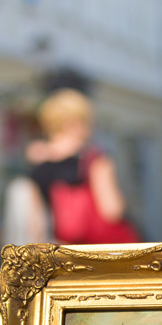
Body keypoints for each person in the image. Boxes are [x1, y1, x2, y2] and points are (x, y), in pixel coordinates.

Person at [25, 89, 138, 245]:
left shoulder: (38, 165)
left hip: (69, 250)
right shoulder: (94, 158)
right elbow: (112, 210)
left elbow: (36, 223)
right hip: (107, 247)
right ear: (77, 122)